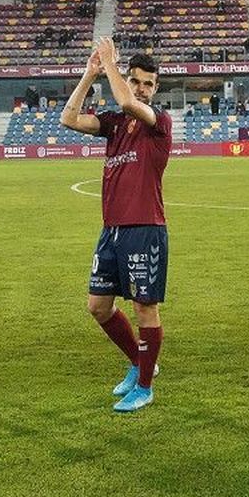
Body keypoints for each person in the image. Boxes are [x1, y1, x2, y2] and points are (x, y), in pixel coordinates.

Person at [61, 40, 172, 413]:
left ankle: (144, 386)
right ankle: (140, 362)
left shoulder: (160, 124)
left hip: (145, 227)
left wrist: (108, 63)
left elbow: (128, 103)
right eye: (136, 81)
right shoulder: (113, 126)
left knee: (145, 309)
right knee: (98, 307)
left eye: (149, 84)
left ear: (155, 89)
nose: (142, 89)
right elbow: (69, 118)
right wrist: (90, 73)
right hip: (111, 230)